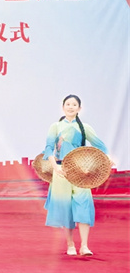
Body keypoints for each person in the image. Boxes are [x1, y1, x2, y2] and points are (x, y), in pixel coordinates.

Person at [42, 94, 108, 256]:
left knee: (83, 206)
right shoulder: (56, 126)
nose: (70, 107)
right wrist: (55, 167)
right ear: (63, 107)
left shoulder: (84, 127)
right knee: (66, 208)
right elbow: (49, 148)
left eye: (74, 104)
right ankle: (70, 244)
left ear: (79, 108)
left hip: (81, 173)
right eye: (68, 104)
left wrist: (104, 160)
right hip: (61, 170)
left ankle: (84, 246)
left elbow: (100, 146)